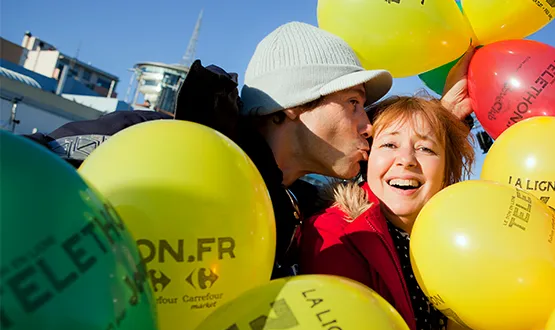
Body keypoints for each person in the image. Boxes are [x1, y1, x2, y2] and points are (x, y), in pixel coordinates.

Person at [27, 21, 475, 278]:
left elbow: (390, 181)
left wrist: (440, 124)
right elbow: (27, 169)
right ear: (295, 105)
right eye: (355, 104)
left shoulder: (291, 202)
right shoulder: (163, 143)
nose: (369, 125)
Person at [298, 95, 545, 330]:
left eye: (425, 148)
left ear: (446, 172)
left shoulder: (474, 238)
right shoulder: (336, 233)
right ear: (367, 157)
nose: (406, 160)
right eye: (389, 144)